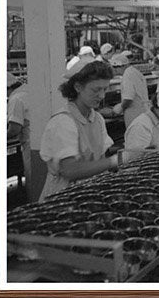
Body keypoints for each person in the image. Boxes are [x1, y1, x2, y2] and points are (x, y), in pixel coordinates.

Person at [38, 59, 119, 201]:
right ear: (78, 87)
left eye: (105, 89)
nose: (102, 96)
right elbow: (70, 170)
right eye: (96, 90)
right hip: (62, 199)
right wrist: (116, 160)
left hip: (88, 194)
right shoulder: (63, 122)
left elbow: (99, 160)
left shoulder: (97, 119)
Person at [116, 51, 150, 128]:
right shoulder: (134, 71)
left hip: (135, 114)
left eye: (116, 67)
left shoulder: (127, 75)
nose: (115, 70)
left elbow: (128, 98)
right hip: (143, 111)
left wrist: (119, 109)